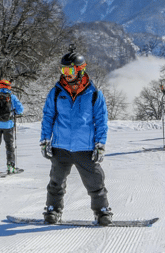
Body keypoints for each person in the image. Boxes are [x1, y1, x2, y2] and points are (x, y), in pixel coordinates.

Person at [39, 46, 113, 226]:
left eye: (69, 70)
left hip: (85, 147)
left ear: (80, 70)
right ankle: (53, 210)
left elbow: (101, 121)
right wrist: (45, 140)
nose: (65, 74)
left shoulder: (94, 94)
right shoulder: (56, 92)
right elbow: (48, 116)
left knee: (95, 182)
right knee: (56, 182)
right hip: (60, 146)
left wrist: (100, 144)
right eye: (62, 70)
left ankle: (102, 211)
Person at [0, 79, 24, 174]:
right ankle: (11, 167)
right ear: (8, 87)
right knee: (9, 145)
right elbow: (21, 110)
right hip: (8, 125)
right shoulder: (12, 97)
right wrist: (13, 112)